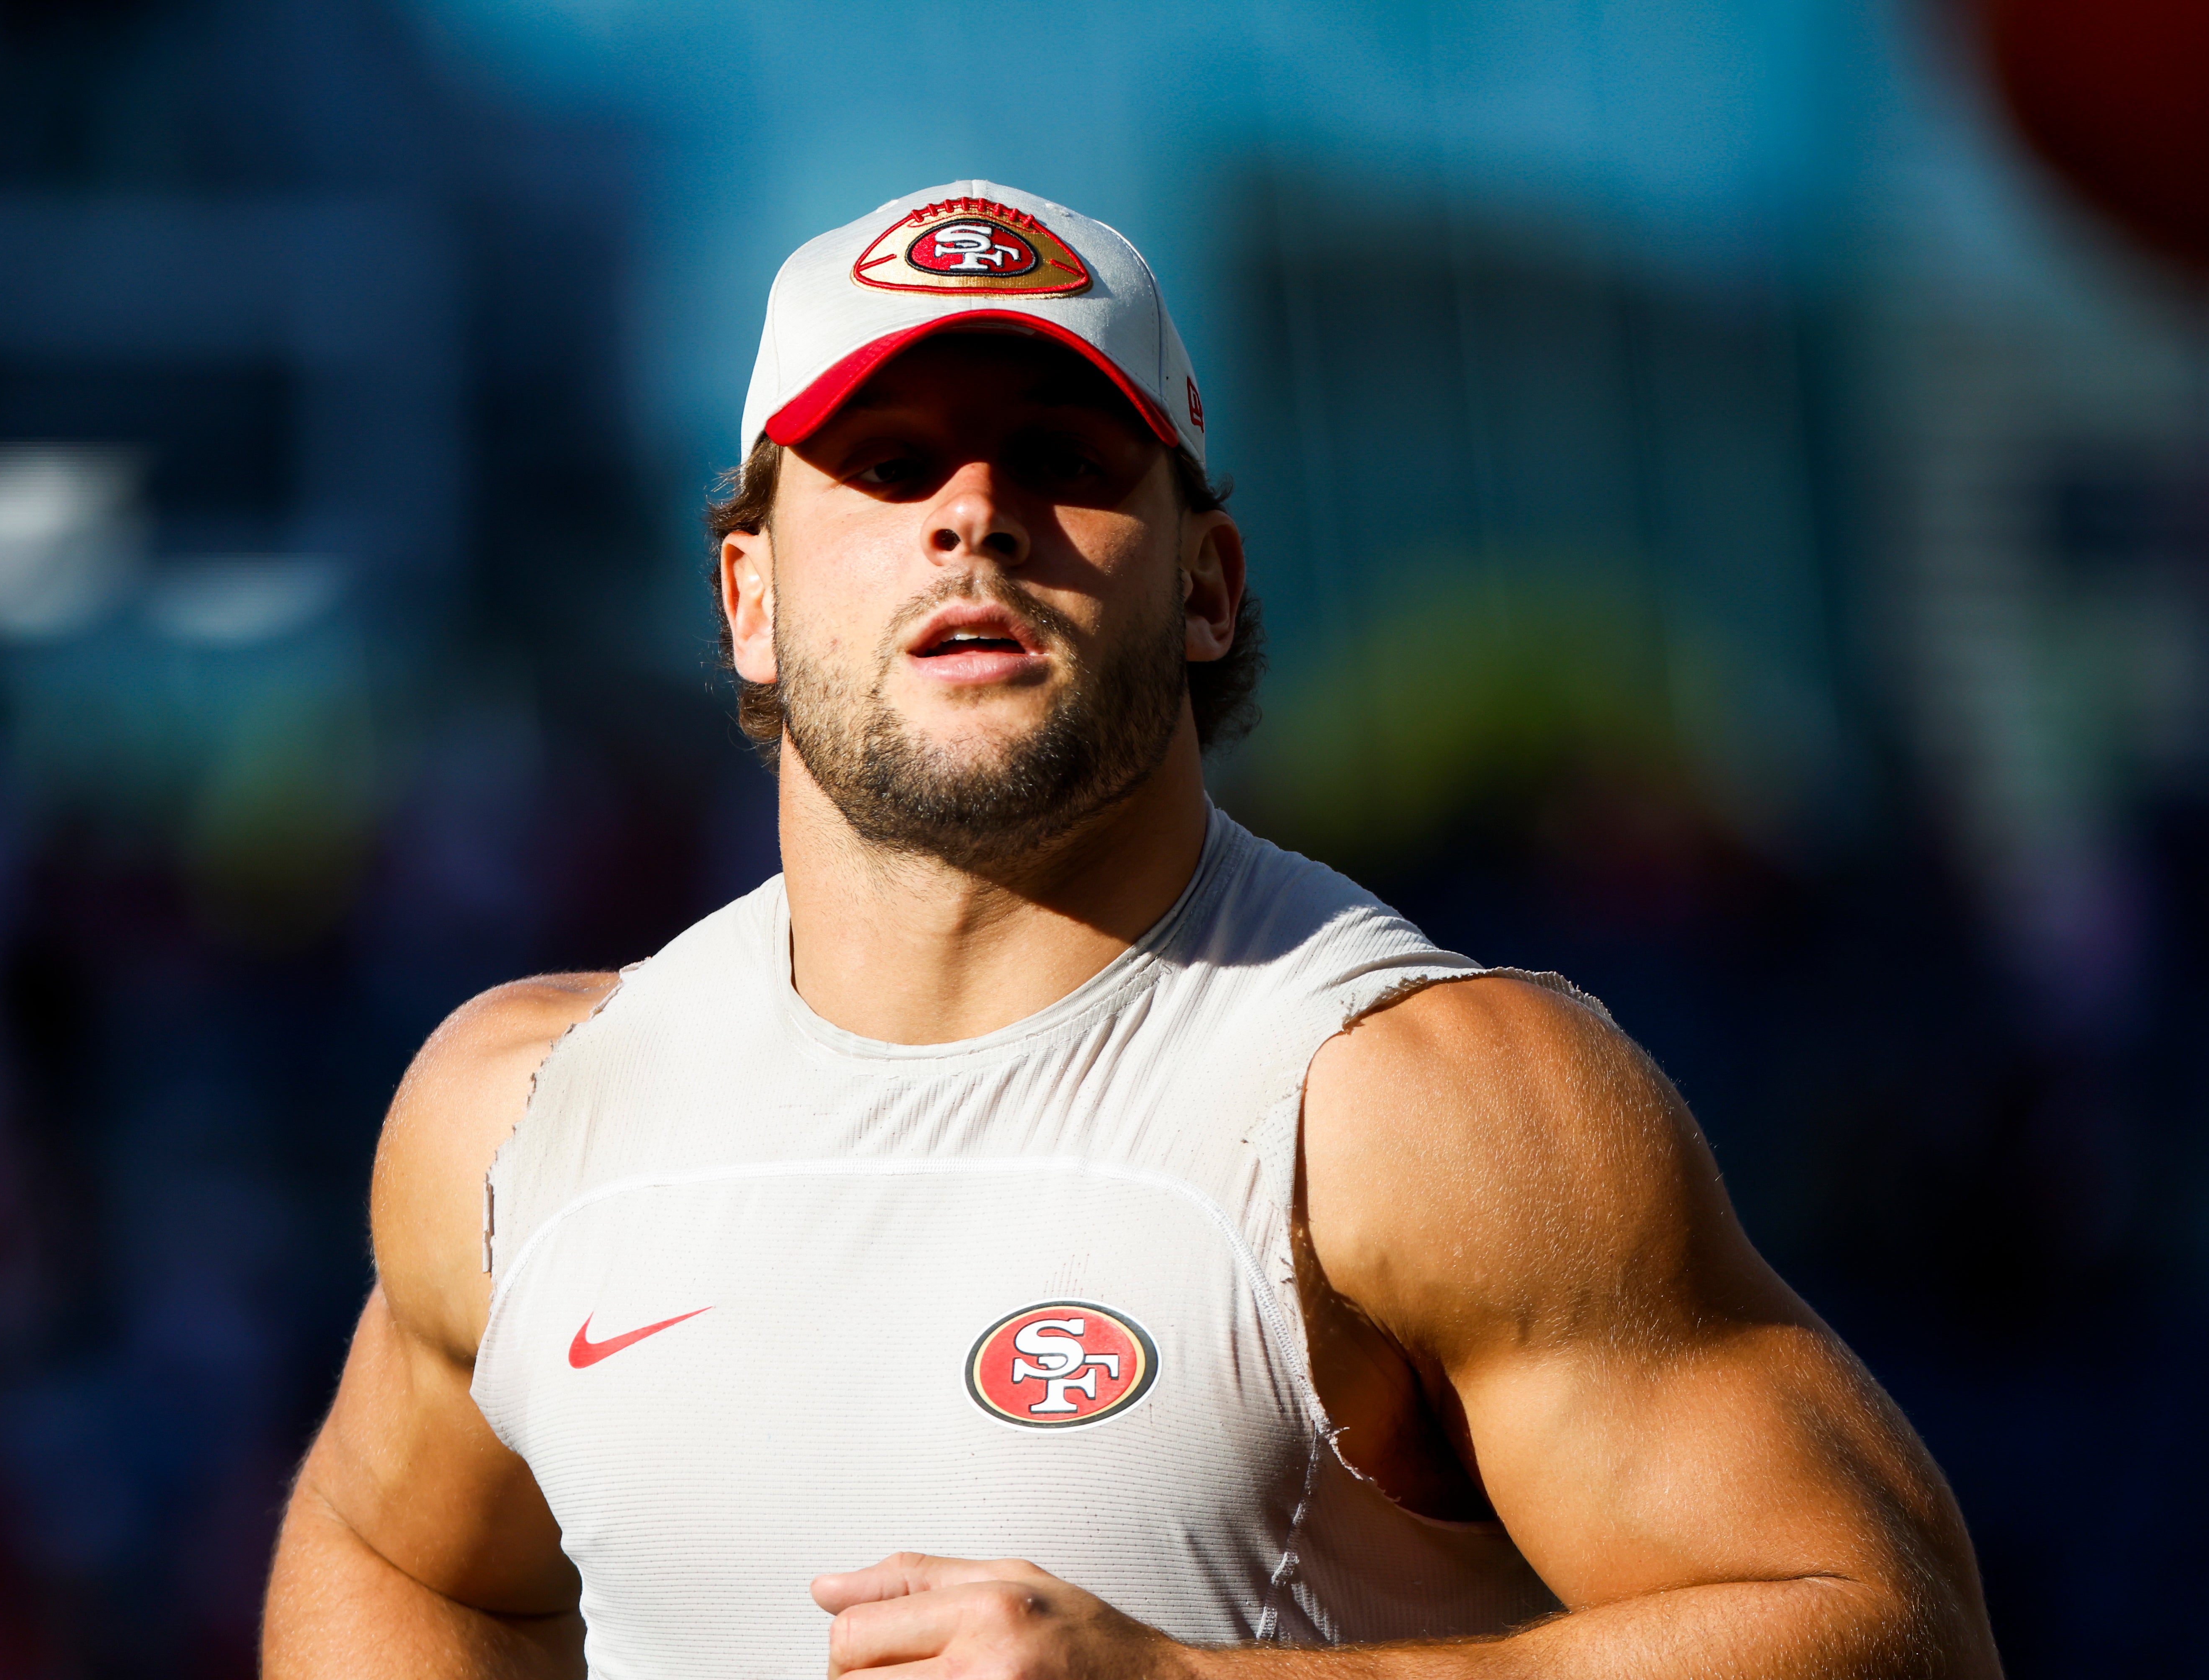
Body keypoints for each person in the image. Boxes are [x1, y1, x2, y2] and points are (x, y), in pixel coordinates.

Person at [260, 181, 1999, 1679]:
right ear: (751, 597)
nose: (975, 514)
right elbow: (387, 1556)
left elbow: (1891, 1626)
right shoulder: (528, 1109)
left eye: (1068, 462)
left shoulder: (1413, 1099)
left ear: (1209, 586)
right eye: (885, 463)